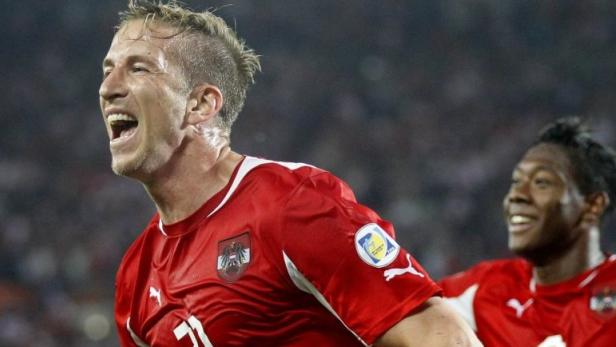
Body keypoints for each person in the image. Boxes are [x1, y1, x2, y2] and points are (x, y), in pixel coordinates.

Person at [98, 1, 480, 346]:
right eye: (108, 70)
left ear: (200, 104)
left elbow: (440, 334)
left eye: (138, 68)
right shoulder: (136, 278)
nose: (108, 88)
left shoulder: (291, 205)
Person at [439, 117, 616, 347]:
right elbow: (398, 314)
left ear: (592, 205)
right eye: (516, 182)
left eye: (541, 182)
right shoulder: (484, 290)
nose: (516, 195)